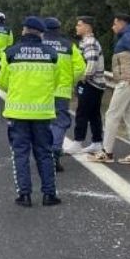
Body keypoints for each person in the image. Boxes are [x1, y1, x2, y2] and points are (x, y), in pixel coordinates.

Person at [0, 16, 61, 206]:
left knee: (20, 153)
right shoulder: (51, 54)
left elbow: (2, 82)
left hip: (17, 113)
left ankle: (24, 195)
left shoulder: (10, 52)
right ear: (41, 33)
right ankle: (49, 194)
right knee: (44, 153)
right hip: (42, 113)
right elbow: (56, 82)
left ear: (24, 30)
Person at [88, 13, 130, 165]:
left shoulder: (129, 37)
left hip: (127, 82)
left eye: (115, 24)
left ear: (122, 23)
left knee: (112, 115)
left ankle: (106, 152)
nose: (112, 27)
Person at [43, 17, 84, 172]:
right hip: (62, 92)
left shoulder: (38, 45)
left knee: (43, 123)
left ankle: (44, 156)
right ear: (58, 29)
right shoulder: (69, 46)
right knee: (59, 123)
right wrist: (70, 81)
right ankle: (55, 152)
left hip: (42, 92)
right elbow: (80, 68)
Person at [69, 16, 106, 154]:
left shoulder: (89, 42)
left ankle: (78, 142)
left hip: (91, 83)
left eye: (79, 25)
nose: (76, 27)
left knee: (82, 113)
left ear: (87, 27)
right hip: (96, 84)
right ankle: (97, 142)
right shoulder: (87, 42)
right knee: (93, 114)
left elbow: (91, 63)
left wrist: (84, 78)